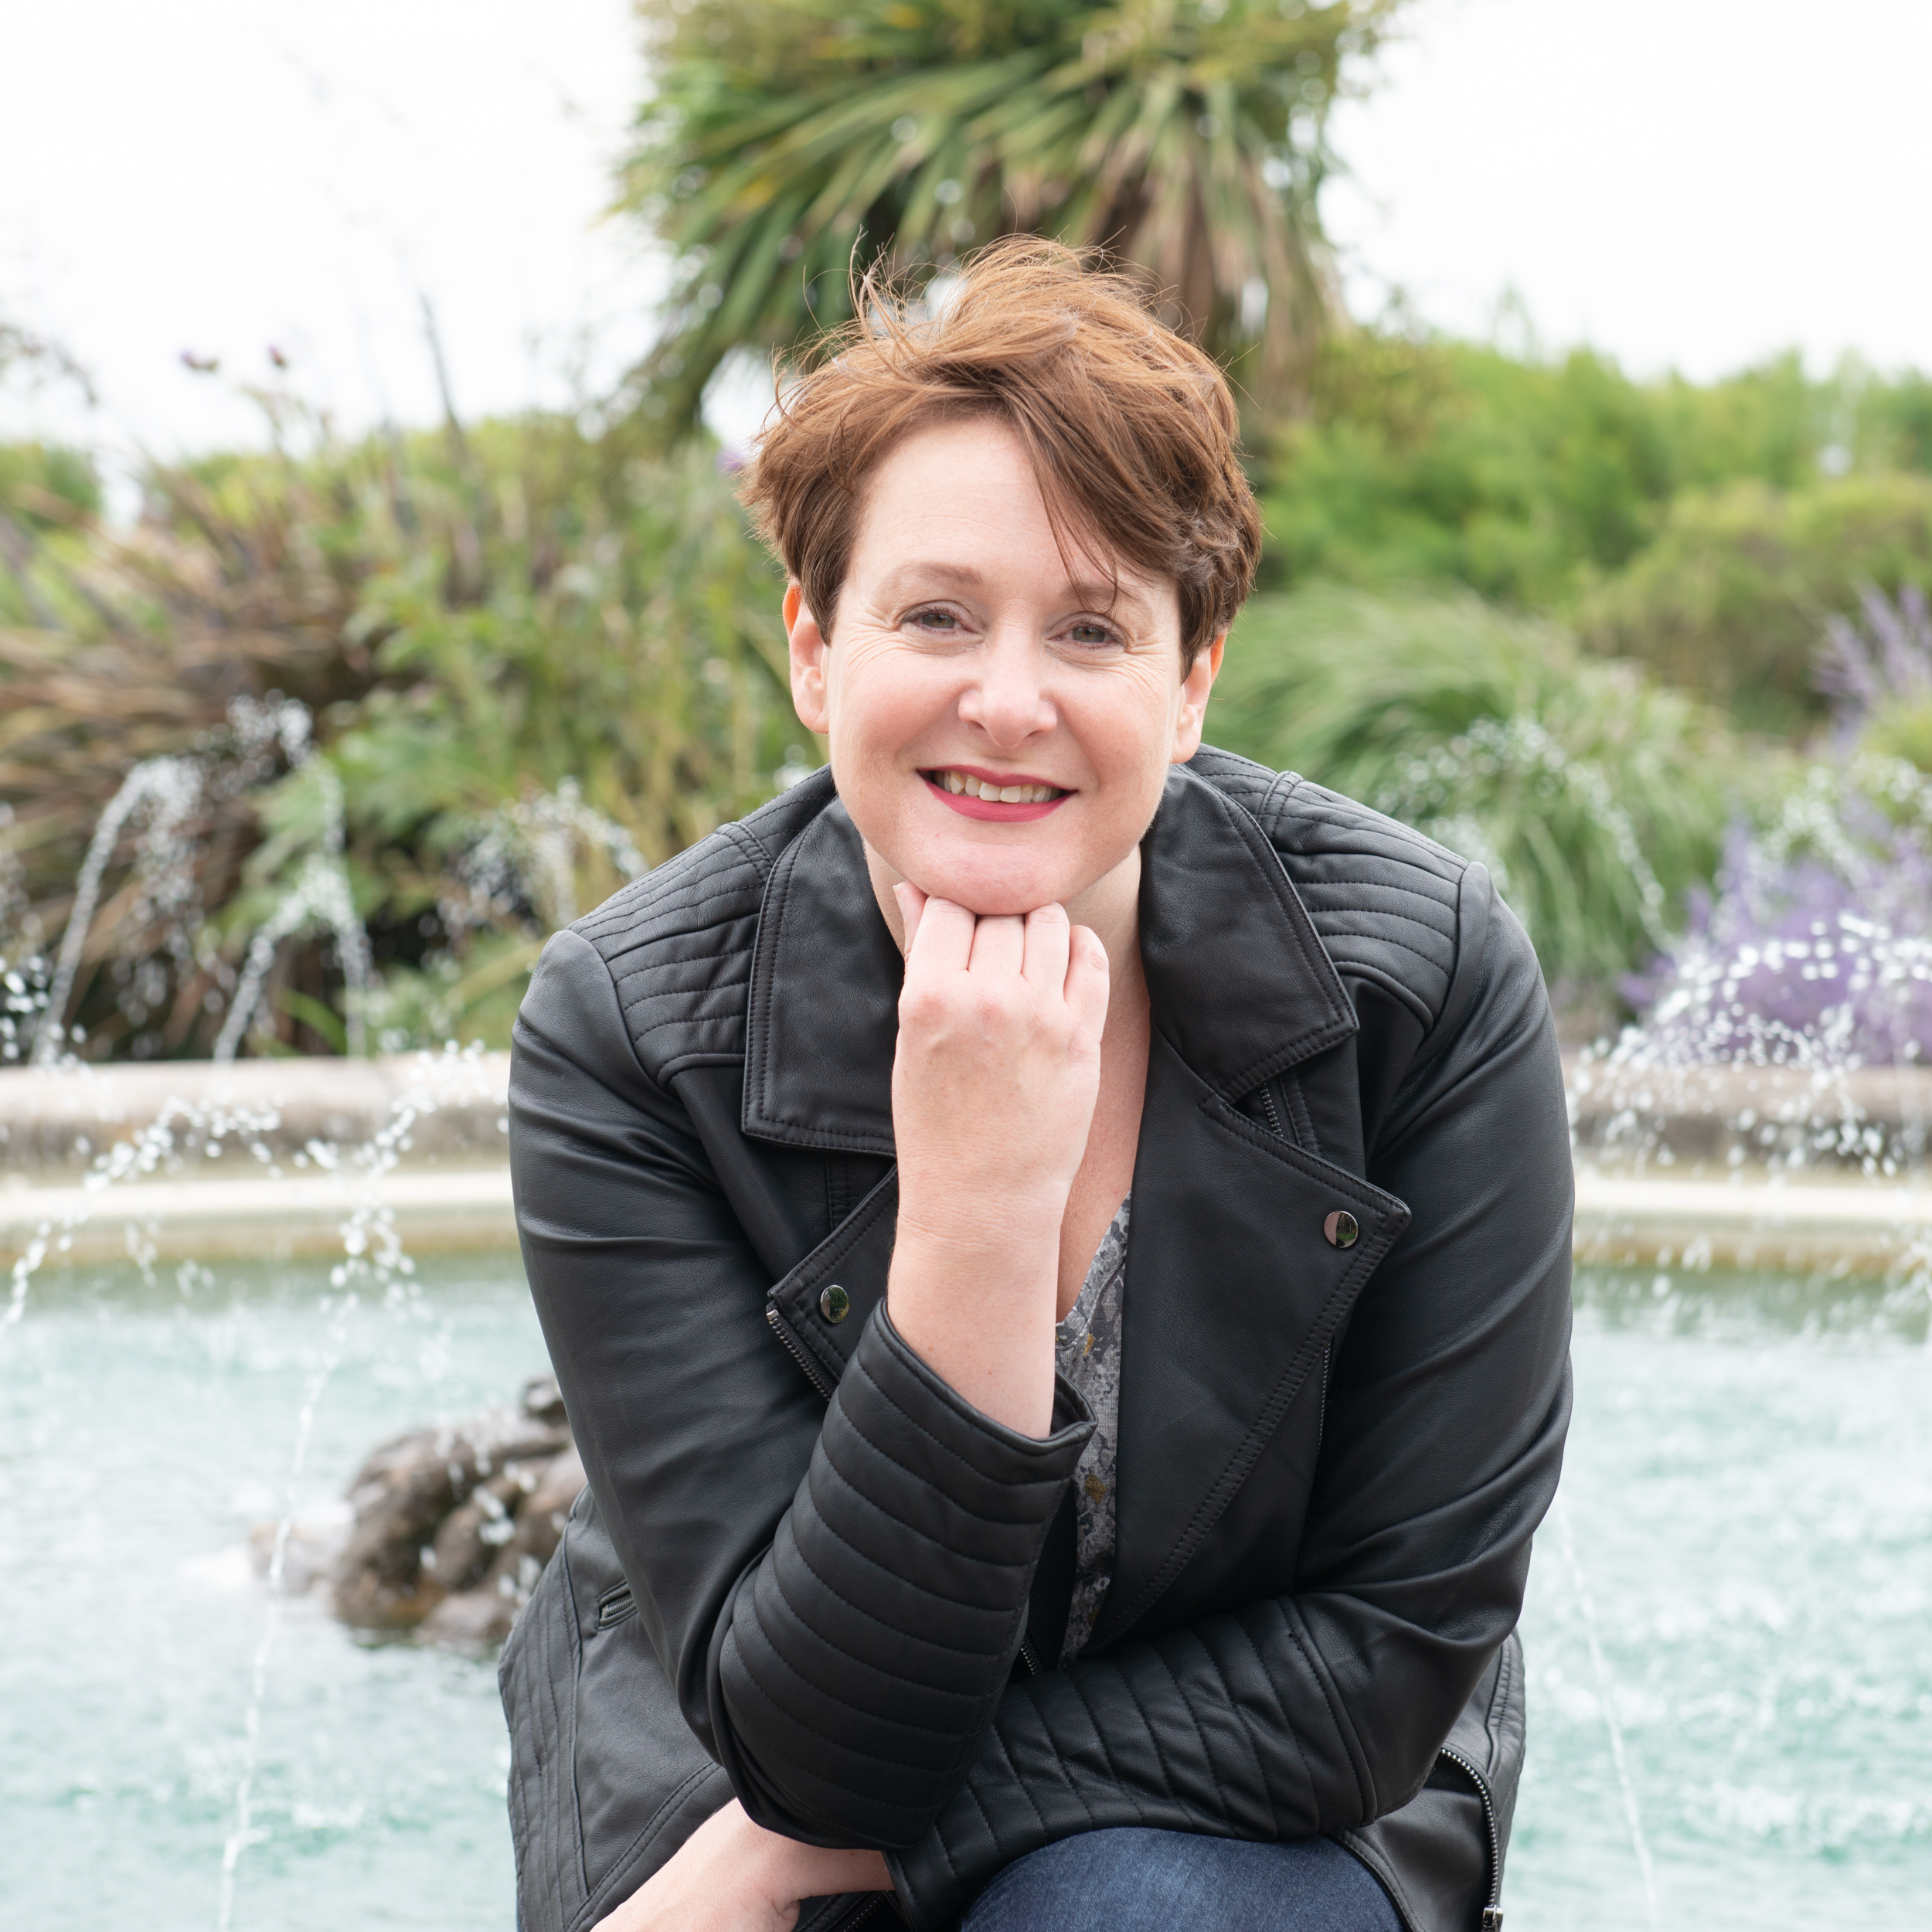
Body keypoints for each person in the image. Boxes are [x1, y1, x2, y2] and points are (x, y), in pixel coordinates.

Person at [501, 240, 1573, 1932]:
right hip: (730, 1771)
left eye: (1091, 627)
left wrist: (810, 1854)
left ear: (1191, 678)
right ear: (811, 647)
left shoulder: (1418, 983)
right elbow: (812, 1739)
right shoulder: (629, 1033)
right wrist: (978, 1214)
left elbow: (1388, 1651)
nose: (1005, 702)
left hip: (1268, 1798)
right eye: (933, 614)